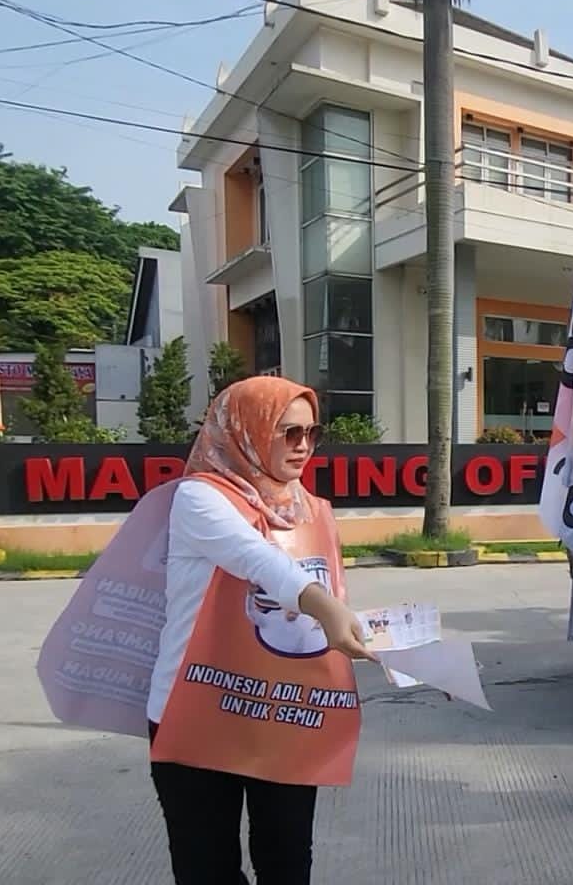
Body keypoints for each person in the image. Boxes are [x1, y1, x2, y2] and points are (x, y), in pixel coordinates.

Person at [150, 377, 376, 885]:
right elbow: (257, 559)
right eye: (287, 431)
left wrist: (397, 650)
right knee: (206, 868)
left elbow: (332, 607)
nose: (302, 445)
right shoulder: (201, 497)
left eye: (311, 432)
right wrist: (326, 608)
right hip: (197, 710)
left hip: (285, 705)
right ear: (245, 430)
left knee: (287, 862)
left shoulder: (312, 510)